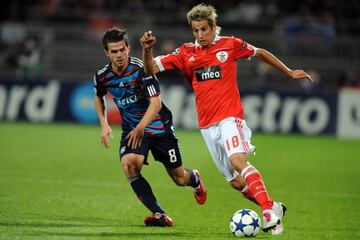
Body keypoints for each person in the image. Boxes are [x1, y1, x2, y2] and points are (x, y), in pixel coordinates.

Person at [140, 4, 313, 235]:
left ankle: (268, 214)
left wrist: (290, 72)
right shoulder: (185, 53)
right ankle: (273, 206)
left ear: (213, 27)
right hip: (207, 125)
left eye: (203, 29)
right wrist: (148, 50)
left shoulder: (230, 45)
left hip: (230, 118)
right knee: (235, 182)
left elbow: (260, 52)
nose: (200, 35)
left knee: (237, 161)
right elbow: (149, 68)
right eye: (195, 31)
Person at [94, 27, 207, 227]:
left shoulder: (141, 70)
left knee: (180, 179)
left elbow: (155, 103)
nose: (119, 55)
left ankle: (195, 179)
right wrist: (104, 123)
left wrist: (140, 127)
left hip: (158, 128)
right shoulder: (102, 76)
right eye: (114, 51)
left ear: (128, 48)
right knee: (129, 165)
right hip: (133, 130)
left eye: (122, 49)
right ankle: (159, 214)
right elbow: (99, 95)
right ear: (106, 53)